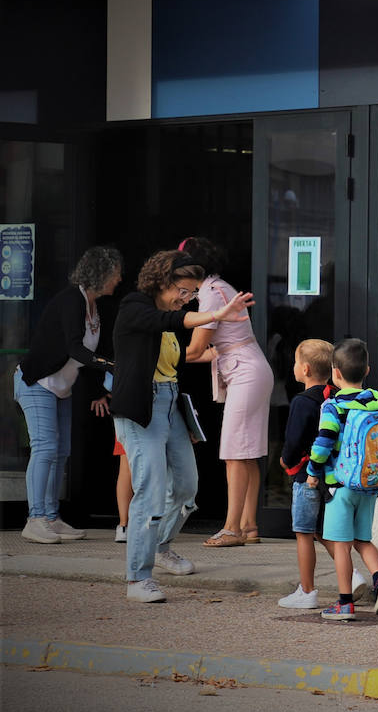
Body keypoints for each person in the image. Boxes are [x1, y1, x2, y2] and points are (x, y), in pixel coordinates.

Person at [111, 250, 252, 602]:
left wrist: (221, 351)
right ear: (163, 281)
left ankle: (160, 547)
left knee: (188, 487)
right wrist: (216, 314)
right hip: (142, 408)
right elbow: (166, 323)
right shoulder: (134, 305)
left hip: (171, 402)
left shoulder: (169, 316)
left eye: (192, 293)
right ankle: (138, 578)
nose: (186, 298)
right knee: (151, 489)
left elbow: (178, 355)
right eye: (184, 290)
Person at [14, 245, 122, 544]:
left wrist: (101, 390)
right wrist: (112, 366)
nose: (119, 278)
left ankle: (50, 517)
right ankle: (35, 519)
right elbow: (77, 349)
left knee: (61, 452)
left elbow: (88, 356)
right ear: (101, 274)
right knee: (45, 448)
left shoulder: (94, 306)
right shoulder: (71, 300)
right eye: (115, 273)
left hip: (61, 387)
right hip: (37, 382)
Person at [179, 238, 273, 548]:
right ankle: (248, 525)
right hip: (252, 368)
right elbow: (208, 350)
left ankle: (232, 528)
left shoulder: (209, 295)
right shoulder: (220, 287)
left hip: (244, 372)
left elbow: (193, 351)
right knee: (247, 453)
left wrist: (159, 352)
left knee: (234, 453)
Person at [306, 338, 378, 621]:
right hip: (369, 484)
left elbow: (323, 443)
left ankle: (344, 603)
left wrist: (312, 472)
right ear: (367, 370)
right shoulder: (376, 402)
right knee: (363, 540)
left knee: (341, 544)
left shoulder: (333, 406)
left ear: (335, 373)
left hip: (340, 486)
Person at [277, 339, 368, 609]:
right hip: (331, 474)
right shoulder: (333, 396)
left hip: (307, 475)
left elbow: (293, 442)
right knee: (324, 530)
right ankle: (351, 577)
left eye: (295, 362)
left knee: (304, 532)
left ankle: (307, 591)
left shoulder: (302, 402)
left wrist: (285, 460)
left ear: (304, 369)